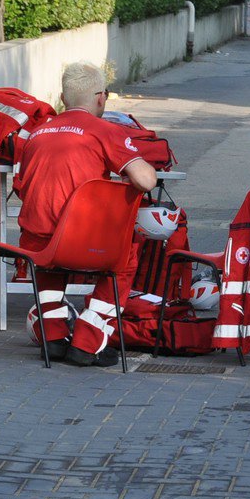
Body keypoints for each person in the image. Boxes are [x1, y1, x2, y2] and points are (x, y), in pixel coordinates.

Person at [13, 62, 158, 366]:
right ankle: (88, 337)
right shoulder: (106, 130)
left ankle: (52, 338)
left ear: (63, 99)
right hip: (81, 245)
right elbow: (146, 181)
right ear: (101, 97)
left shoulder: (36, 133)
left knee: (48, 257)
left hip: (35, 246)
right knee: (127, 255)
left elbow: (23, 187)